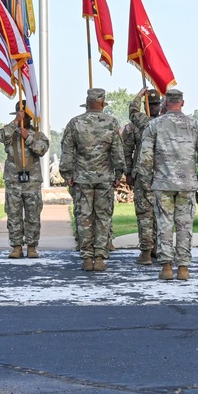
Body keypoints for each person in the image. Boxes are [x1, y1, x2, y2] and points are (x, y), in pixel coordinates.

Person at [136, 88, 198, 281]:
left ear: (165, 103)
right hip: (187, 184)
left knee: (164, 225)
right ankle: (183, 267)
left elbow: (144, 158)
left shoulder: (154, 126)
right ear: (182, 103)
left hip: (163, 183)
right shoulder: (194, 125)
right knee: (185, 226)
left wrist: (147, 181)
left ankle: (167, 266)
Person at [60, 88, 125, 272]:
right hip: (104, 178)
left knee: (84, 217)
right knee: (103, 217)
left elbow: (67, 151)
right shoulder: (111, 123)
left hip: (82, 178)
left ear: (87, 102)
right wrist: (118, 174)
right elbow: (117, 152)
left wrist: (67, 174)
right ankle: (99, 257)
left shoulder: (75, 123)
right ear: (103, 103)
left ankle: (87, 257)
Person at [0, 99, 49, 259]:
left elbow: (41, 150)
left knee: (33, 215)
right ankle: (16, 246)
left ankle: (32, 246)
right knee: (14, 215)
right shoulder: (10, 133)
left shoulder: (38, 135)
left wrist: (28, 138)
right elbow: (1, 136)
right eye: (20, 114)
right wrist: (15, 122)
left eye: (25, 115)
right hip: (13, 181)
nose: (23, 117)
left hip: (32, 182)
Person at [124, 87, 163, 264]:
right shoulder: (137, 127)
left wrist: (138, 96)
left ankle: (155, 248)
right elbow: (128, 150)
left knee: (159, 215)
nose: (153, 107)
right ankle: (147, 250)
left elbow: (133, 111)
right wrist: (128, 172)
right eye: (151, 104)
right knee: (146, 214)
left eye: (156, 104)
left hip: (160, 176)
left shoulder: (160, 123)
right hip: (147, 176)